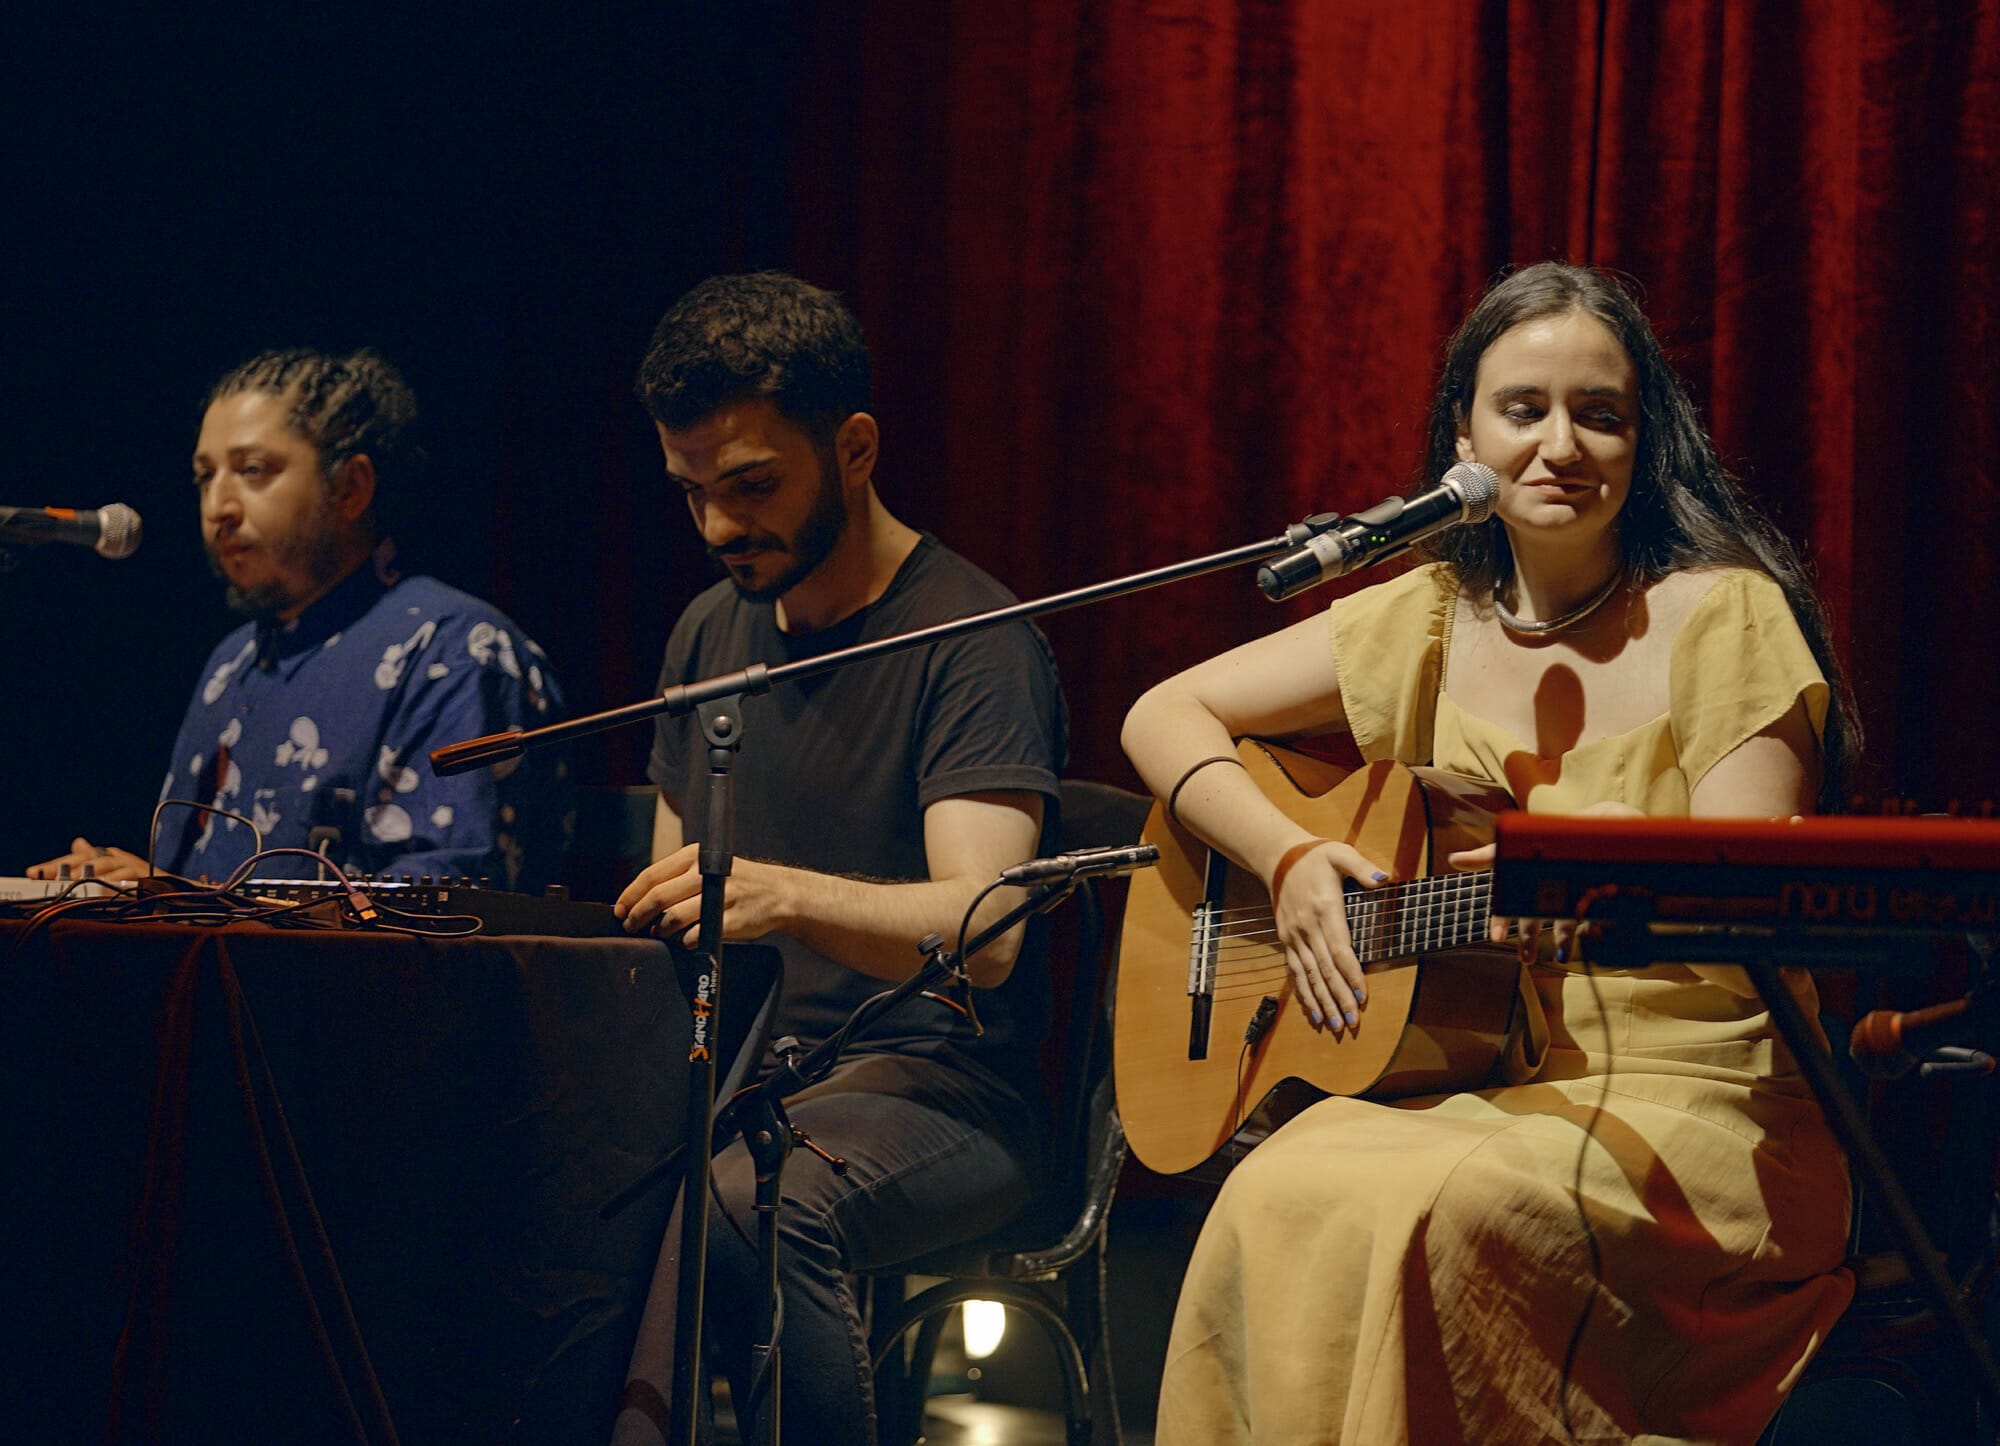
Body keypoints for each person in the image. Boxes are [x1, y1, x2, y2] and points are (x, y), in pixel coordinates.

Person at [1120, 261, 1860, 1444]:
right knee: (1273, 1190)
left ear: (1640, 444)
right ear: (1462, 437)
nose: (1560, 445)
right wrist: (1288, 859)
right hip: (1483, 1085)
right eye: (1523, 409)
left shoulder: (1722, 613)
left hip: (1701, 1101)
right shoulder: (1423, 614)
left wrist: (1617, 863)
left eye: (1598, 414)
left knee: (1435, 1209)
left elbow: (1760, 895)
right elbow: (1162, 714)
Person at [606, 273, 1068, 1445]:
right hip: (749, 1075)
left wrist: (787, 897)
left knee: (751, 1201)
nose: (718, 527)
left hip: (941, 1090)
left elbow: (987, 937)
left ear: (853, 448)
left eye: (751, 485)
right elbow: (681, 929)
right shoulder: (707, 633)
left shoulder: (972, 641)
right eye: (690, 492)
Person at [28, 348, 568, 891]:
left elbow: (452, 897)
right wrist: (126, 888)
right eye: (205, 477)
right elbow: (187, 889)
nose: (217, 506)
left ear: (350, 489)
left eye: (253, 470)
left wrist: (189, 899)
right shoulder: (232, 661)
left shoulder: (455, 649)